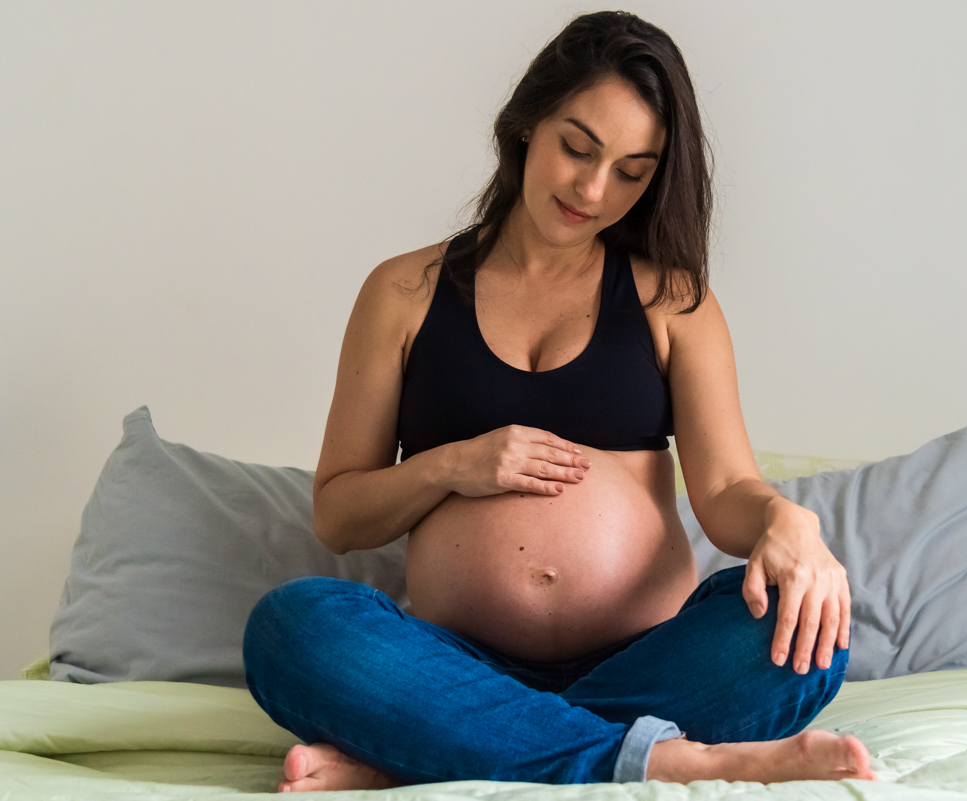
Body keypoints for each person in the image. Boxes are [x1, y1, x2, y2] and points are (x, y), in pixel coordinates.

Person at [242, 10, 876, 792]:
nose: (592, 187)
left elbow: (723, 495)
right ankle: (646, 755)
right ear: (526, 123)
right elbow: (339, 514)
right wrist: (454, 465)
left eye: (632, 170)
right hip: (451, 662)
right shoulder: (403, 293)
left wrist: (790, 523)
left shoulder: (673, 303)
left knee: (807, 627)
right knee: (292, 626)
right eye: (577, 146)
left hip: (648, 658)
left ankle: (431, 749)